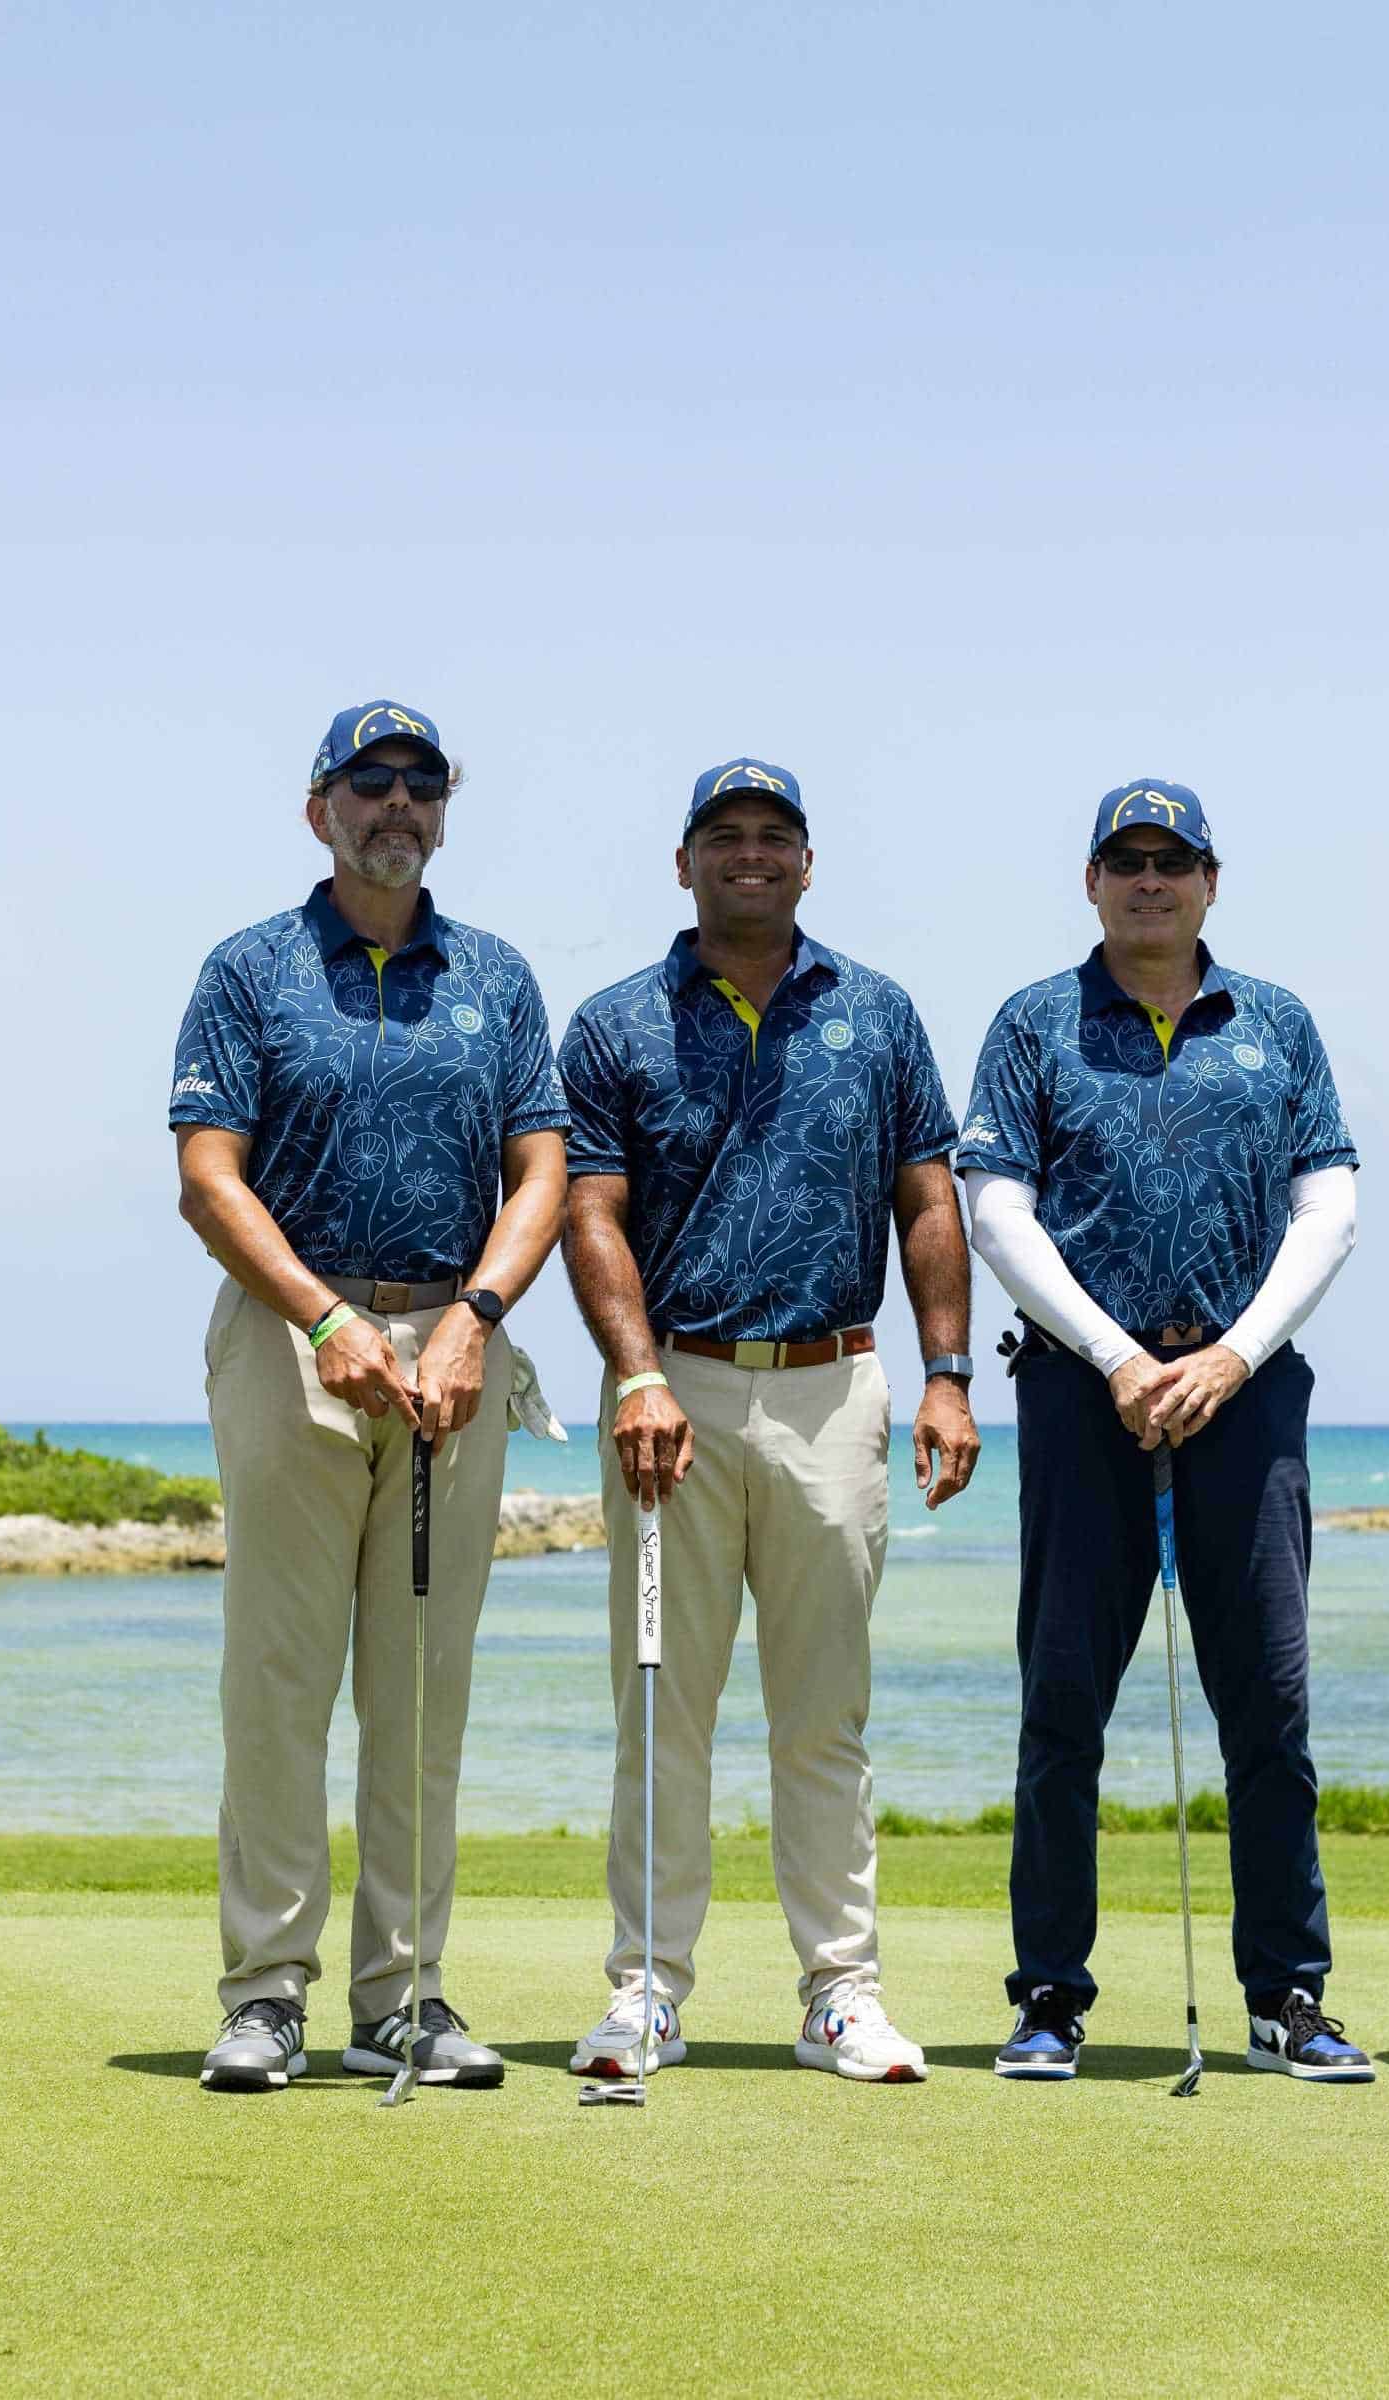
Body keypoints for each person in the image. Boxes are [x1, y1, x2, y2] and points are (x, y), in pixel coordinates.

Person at [556, 758, 980, 2086]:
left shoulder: (879, 1013)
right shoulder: (618, 1022)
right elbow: (591, 1213)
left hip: (832, 1384)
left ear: (807, 862)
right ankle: (646, 1996)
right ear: (684, 863)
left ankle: (840, 1995)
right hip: (671, 1389)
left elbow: (926, 1201)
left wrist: (951, 1374)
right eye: (723, 837)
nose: (750, 855)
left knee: (822, 1719)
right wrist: (635, 1375)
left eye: (774, 837)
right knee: (661, 1713)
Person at [168, 699, 568, 2094]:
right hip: (296, 1340)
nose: (396, 803)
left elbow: (542, 1176)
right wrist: (328, 1317)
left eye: (420, 783)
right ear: (319, 808)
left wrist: (472, 1322)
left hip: (456, 1351)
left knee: (421, 1690)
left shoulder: (499, 978)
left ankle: (403, 1995)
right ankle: (267, 1992)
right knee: (281, 1681)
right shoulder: (251, 970)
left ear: (444, 808)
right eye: (368, 782)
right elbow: (209, 1175)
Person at [956, 782, 1372, 2085]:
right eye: (1126, 862)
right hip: (1088, 1396)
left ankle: (1287, 1993)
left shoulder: (1278, 1025)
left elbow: (1330, 1204)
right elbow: (997, 1211)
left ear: (1210, 879)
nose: (1151, 881)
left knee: (1271, 1711)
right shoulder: (1033, 1024)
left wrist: (1231, 1356)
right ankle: (1049, 1996)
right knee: (1064, 1701)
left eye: (1173, 861)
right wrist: (1124, 1357)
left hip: (1245, 1397)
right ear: (1092, 882)